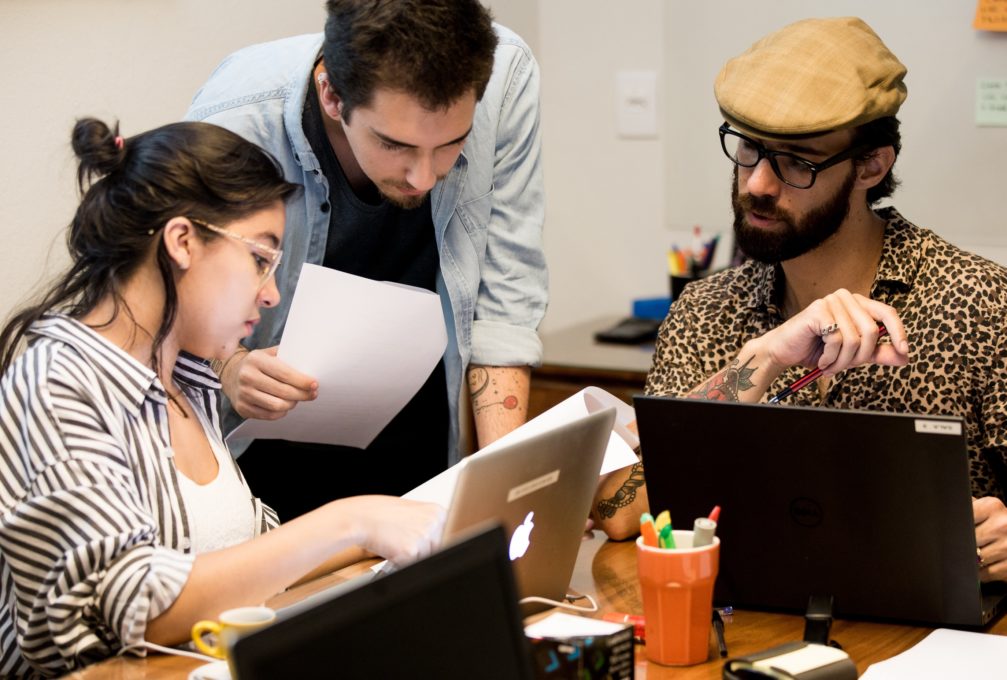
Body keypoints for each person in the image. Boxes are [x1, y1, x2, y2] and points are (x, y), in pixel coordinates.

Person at [0, 118, 445, 677]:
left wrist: (405, 525)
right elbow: (132, 607)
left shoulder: (186, 379)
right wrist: (350, 520)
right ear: (182, 242)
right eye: (260, 258)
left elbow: (248, 558)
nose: (271, 293)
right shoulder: (57, 383)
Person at [593, 16, 1007, 582]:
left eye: (797, 161)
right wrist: (761, 360)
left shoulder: (979, 305)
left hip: (930, 629)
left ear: (871, 165)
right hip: (749, 622)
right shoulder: (706, 311)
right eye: (749, 148)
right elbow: (622, 513)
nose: (757, 184)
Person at [184, 0, 547, 520]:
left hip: (417, 432)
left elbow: (506, 292)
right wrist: (230, 366)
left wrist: (505, 488)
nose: (423, 177)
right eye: (395, 145)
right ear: (332, 95)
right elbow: (179, 297)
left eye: (452, 144)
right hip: (261, 447)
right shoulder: (237, 121)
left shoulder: (503, 79)